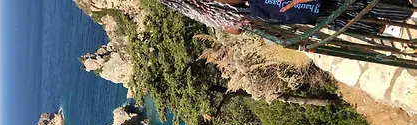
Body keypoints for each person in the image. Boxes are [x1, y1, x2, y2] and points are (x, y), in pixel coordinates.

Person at [159, 0, 413, 35]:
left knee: (340, 16)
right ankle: (400, 14)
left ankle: (389, 23)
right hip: (303, 7)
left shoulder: (202, 10)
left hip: (303, 14)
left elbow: (233, 29)